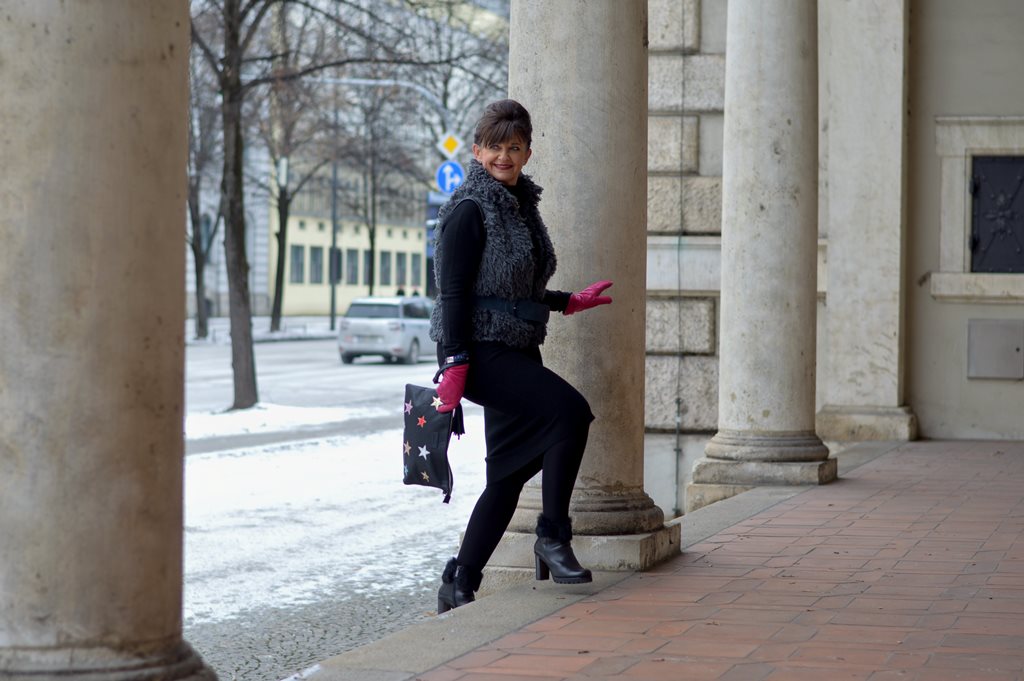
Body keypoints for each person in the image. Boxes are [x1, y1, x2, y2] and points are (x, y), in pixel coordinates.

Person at [428, 99, 613, 613]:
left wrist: (565, 301)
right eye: (495, 147)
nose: (503, 157)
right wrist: (455, 362)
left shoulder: (521, 207)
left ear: (527, 153)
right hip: (480, 353)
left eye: (514, 147)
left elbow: (513, 288)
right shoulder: (469, 208)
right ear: (476, 150)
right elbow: (453, 293)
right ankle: (552, 535)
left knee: (507, 475)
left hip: (517, 347)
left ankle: (460, 581)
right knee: (571, 413)